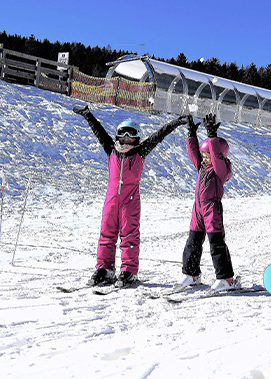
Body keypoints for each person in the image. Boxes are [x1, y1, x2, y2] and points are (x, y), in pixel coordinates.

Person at [73, 105, 187, 287]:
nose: (126, 139)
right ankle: (105, 268)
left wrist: (173, 124)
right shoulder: (111, 150)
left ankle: (128, 270)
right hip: (111, 199)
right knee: (106, 233)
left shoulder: (140, 152)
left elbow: (158, 136)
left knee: (129, 235)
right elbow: (99, 132)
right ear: (118, 136)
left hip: (130, 200)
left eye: (131, 135)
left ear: (136, 138)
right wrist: (88, 115)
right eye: (123, 135)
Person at [180, 113, 237, 291]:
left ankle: (225, 278)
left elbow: (217, 158)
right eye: (204, 156)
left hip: (212, 208)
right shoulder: (202, 166)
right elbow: (194, 154)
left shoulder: (221, 169)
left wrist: (212, 136)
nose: (205, 159)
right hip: (198, 209)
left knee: (216, 242)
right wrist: (191, 134)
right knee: (193, 242)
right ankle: (191, 274)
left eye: (208, 156)